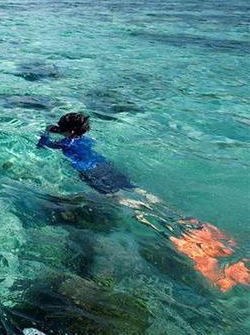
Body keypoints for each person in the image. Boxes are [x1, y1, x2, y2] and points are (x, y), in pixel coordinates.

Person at [38, 112, 249, 292]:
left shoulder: (66, 143)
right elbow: (76, 141)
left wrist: (47, 132)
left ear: (71, 131)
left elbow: (44, 145)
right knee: (143, 195)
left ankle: (170, 230)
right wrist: (64, 131)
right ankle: (188, 222)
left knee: (130, 205)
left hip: (93, 175)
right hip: (108, 168)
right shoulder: (85, 139)